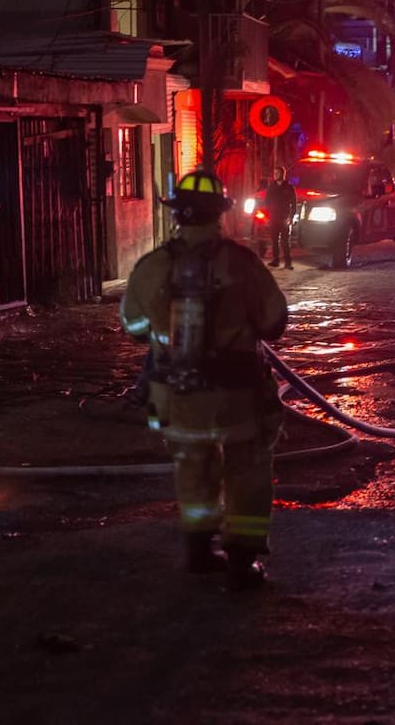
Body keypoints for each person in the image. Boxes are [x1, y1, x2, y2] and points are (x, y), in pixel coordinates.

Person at [120, 168, 288, 592]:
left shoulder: (151, 266)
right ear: (220, 215)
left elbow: (133, 325)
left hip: (176, 395)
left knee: (193, 466)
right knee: (247, 469)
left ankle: (198, 551)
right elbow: (274, 322)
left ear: (176, 215)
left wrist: (165, 327)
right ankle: (242, 562)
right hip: (238, 396)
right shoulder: (243, 263)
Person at [265, 166, 297, 270]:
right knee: (274, 240)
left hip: (284, 217)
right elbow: (267, 201)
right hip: (273, 217)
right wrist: (268, 213)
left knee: (284, 241)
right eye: (274, 173)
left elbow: (294, 203)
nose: (275, 175)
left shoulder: (288, 187)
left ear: (282, 174)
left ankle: (288, 263)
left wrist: (291, 217)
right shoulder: (271, 187)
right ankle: (275, 260)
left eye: (277, 173)